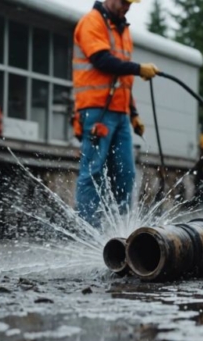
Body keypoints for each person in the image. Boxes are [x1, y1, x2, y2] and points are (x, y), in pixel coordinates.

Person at [73, 0, 159, 227]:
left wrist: (133, 113)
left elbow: (122, 78)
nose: (127, 6)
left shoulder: (122, 29)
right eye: (124, 1)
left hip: (120, 113)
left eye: (131, 3)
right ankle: (88, 230)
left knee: (125, 173)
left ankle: (119, 230)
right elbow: (102, 61)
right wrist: (138, 68)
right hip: (96, 111)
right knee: (93, 171)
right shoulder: (91, 22)